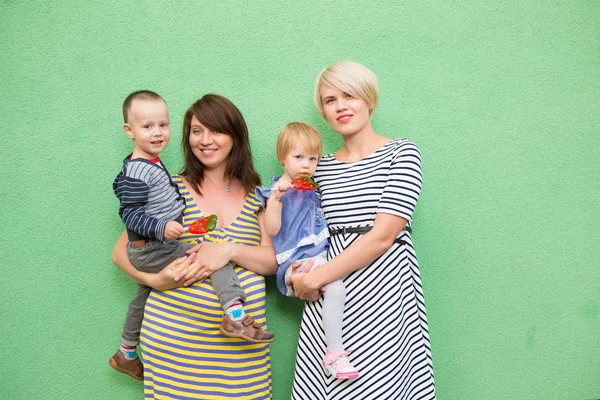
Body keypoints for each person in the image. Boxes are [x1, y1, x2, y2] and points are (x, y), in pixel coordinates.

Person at [111, 94, 278, 399]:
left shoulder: (259, 194)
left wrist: (229, 250)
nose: (205, 140)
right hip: (175, 352)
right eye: (196, 131)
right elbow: (122, 251)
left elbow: (272, 261)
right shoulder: (168, 187)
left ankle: (236, 317)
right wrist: (154, 280)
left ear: (235, 136)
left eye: (216, 130)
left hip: (242, 356)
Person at [287, 62, 436, 399]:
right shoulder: (318, 167)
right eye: (329, 100)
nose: (340, 106)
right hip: (330, 298)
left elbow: (384, 235)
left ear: (369, 99)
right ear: (323, 112)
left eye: (350, 95)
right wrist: (297, 275)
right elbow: (300, 229)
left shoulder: (402, 152)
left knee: (380, 385)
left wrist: (317, 276)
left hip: (382, 291)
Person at [255, 122, 358, 379]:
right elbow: (272, 227)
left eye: (313, 159)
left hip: (319, 256)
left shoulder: (311, 189)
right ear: (282, 157)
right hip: (296, 259)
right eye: (298, 157)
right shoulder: (277, 192)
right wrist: (276, 200)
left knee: (337, 291)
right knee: (336, 288)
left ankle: (334, 349)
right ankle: (334, 353)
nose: (306, 165)